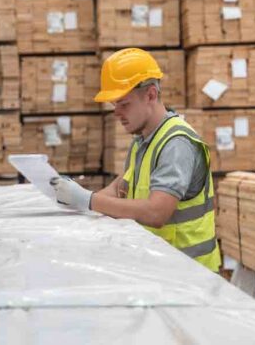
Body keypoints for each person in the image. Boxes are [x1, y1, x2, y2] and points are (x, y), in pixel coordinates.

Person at [51, 48, 221, 272]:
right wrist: (73, 205)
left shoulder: (176, 143)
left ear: (150, 95)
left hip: (191, 274)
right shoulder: (143, 141)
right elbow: (119, 188)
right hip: (162, 269)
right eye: (114, 105)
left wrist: (87, 199)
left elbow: (156, 212)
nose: (116, 113)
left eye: (124, 103)